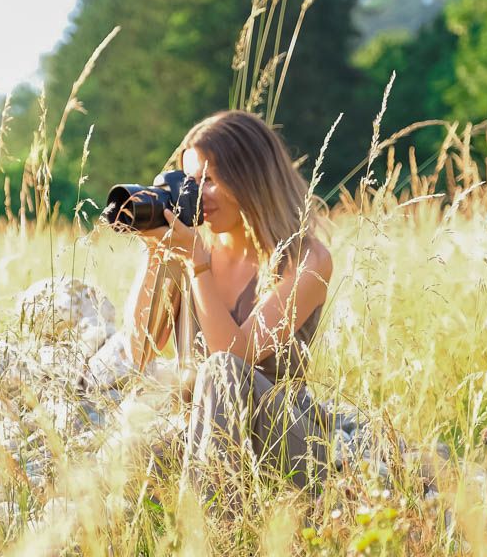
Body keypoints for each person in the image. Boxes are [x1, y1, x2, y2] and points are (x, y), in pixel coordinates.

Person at [125, 110, 333, 516]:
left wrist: (196, 265)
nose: (198, 195)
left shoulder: (305, 259)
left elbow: (235, 359)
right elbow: (140, 349)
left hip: (283, 444)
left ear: (252, 179)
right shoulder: (193, 249)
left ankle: (211, 534)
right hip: (199, 442)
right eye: (190, 181)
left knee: (220, 370)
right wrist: (157, 255)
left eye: (210, 181)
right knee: (127, 447)